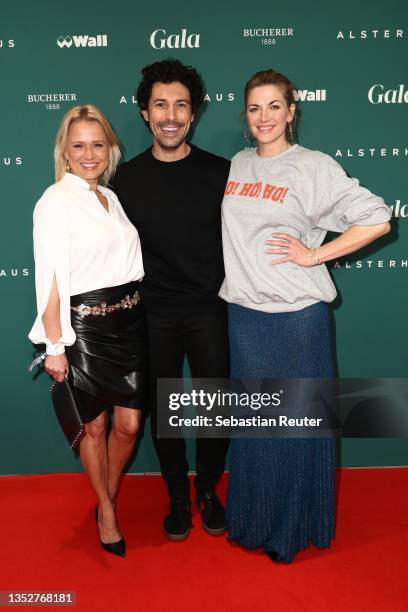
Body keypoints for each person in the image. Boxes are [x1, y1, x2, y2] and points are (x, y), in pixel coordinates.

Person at [219, 69, 391, 563]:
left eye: (275, 106)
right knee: (254, 429)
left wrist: (315, 255)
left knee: (294, 428)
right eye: (255, 108)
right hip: (245, 318)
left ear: (292, 111)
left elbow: (378, 218)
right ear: (245, 116)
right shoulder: (237, 164)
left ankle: (289, 532)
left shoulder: (313, 167)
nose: (265, 117)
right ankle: (250, 523)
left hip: (297, 320)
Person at [112, 59, 230, 540]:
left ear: (194, 113)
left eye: (181, 104)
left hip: (210, 308)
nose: (170, 115)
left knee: (215, 409)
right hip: (153, 312)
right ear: (145, 112)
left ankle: (206, 488)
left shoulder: (222, 173)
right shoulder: (125, 180)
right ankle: (177, 495)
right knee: (165, 413)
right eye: (160, 104)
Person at [29, 105, 147, 557]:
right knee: (94, 429)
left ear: (110, 147)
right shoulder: (55, 201)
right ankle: (107, 510)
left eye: (97, 144)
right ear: (65, 151)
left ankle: (106, 496)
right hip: (86, 330)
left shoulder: (109, 197)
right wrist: (55, 345)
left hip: (129, 322)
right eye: (78, 145)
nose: (89, 153)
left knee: (129, 425)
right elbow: (51, 280)